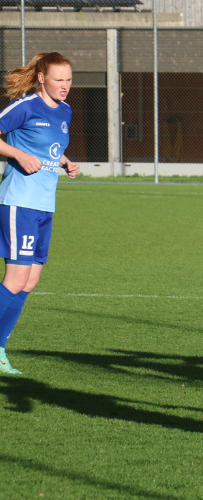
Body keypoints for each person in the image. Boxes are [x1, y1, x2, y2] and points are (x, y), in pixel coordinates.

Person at [0, 52, 80, 374]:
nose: (65, 85)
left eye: (69, 79)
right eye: (59, 79)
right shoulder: (26, 106)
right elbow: (17, 146)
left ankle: (0, 349)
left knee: (30, 281)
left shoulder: (66, 111)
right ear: (42, 78)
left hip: (45, 204)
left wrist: (65, 162)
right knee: (17, 277)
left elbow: (49, 148)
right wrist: (17, 154)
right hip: (19, 201)